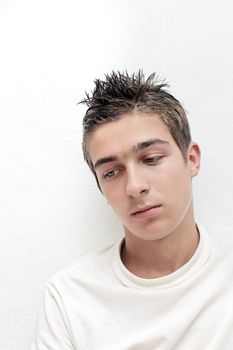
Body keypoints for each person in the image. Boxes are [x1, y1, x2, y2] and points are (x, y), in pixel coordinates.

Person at [32, 71, 233, 349]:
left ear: (192, 159)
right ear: (101, 188)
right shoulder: (69, 297)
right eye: (112, 172)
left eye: (150, 159)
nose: (135, 186)